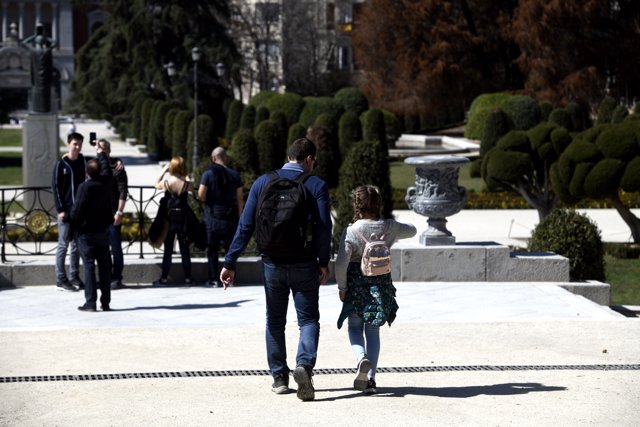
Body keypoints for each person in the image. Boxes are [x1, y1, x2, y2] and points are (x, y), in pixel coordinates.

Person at [220, 138, 332, 402]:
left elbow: (245, 225)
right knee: (308, 320)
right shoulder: (316, 185)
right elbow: (325, 227)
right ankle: (303, 365)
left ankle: (280, 378)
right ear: (308, 160)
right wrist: (324, 262)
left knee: (274, 321)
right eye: (313, 162)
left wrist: (229, 262)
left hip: (272, 261)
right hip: (304, 262)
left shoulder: (262, 182)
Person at [335, 185, 417, 395]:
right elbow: (413, 230)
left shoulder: (351, 231)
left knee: (354, 327)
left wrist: (342, 287)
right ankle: (371, 379)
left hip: (356, 284)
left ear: (357, 205)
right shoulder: (389, 227)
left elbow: (341, 263)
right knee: (373, 330)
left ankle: (361, 358)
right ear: (378, 204)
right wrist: (394, 229)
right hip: (380, 284)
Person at [70, 142, 113, 312]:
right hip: (103, 231)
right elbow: (107, 171)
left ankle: (90, 302)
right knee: (104, 268)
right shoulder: (106, 183)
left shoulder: (85, 187)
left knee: (89, 267)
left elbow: (77, 210)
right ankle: (106, 302)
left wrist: (72, 222)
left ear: (86, 173)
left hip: (86, 232)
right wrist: (101, 153)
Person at [198, 147, 243, 287]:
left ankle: (213, 279)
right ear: (226, 158)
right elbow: (240, 198)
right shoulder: (234, 175)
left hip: (212, 218)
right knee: (230, 250)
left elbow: (200, 195)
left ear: (213, 158)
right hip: (230, 218)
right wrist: (240, 216)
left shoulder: (207, 174)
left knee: (212, 250)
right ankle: (231, 279)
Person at [51, 132, 86, 292]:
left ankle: (74, 276)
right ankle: (60, 279)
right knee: (63, 245)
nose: (77, 147)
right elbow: (56, 188)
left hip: (79, 212)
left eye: (79, 144)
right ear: (68, 144)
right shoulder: (61, 163)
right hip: (66, 211)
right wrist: (60, 209)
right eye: (74, 144)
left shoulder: (82, 161)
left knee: (75, 246)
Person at [154, 156, 193, 285]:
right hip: (183, 221)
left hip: (169, 221)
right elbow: (193, 188)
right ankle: (188, 278)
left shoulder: (167, 183)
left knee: (168, 251)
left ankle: (164, 278)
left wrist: (164, 170)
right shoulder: (186, 184)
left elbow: (156, 183)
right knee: (185, 251)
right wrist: (186, 176)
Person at [96, 139, 129, 290]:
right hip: (99, 215)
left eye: (104, 149)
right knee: (102, 248)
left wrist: (119, 212)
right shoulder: (94, 166)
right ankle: (106, 276)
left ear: (109, 150)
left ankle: (117, 277)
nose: (101, 151)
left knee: (115, 248)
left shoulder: (117, 167)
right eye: (99, 149)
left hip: (113, 213)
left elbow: (123, 191)